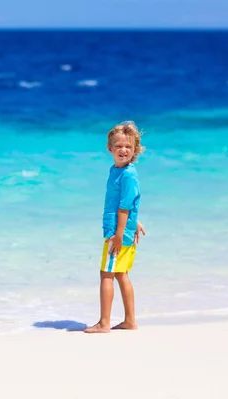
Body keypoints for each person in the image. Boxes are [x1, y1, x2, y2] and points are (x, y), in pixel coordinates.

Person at [85, 121, 145, 333]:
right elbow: (130, 202)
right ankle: (129, 321)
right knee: (121, 274)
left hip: (116, 233)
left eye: (128, 147)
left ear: (135, 150)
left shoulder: (127, 174)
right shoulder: (118, 170)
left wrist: (119, 234)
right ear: (110, 148)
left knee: (107, 274)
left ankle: (104, 323)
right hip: (122, 229)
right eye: (118, 146)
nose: (123, 150)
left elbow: (125, 205)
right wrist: (134, 222)